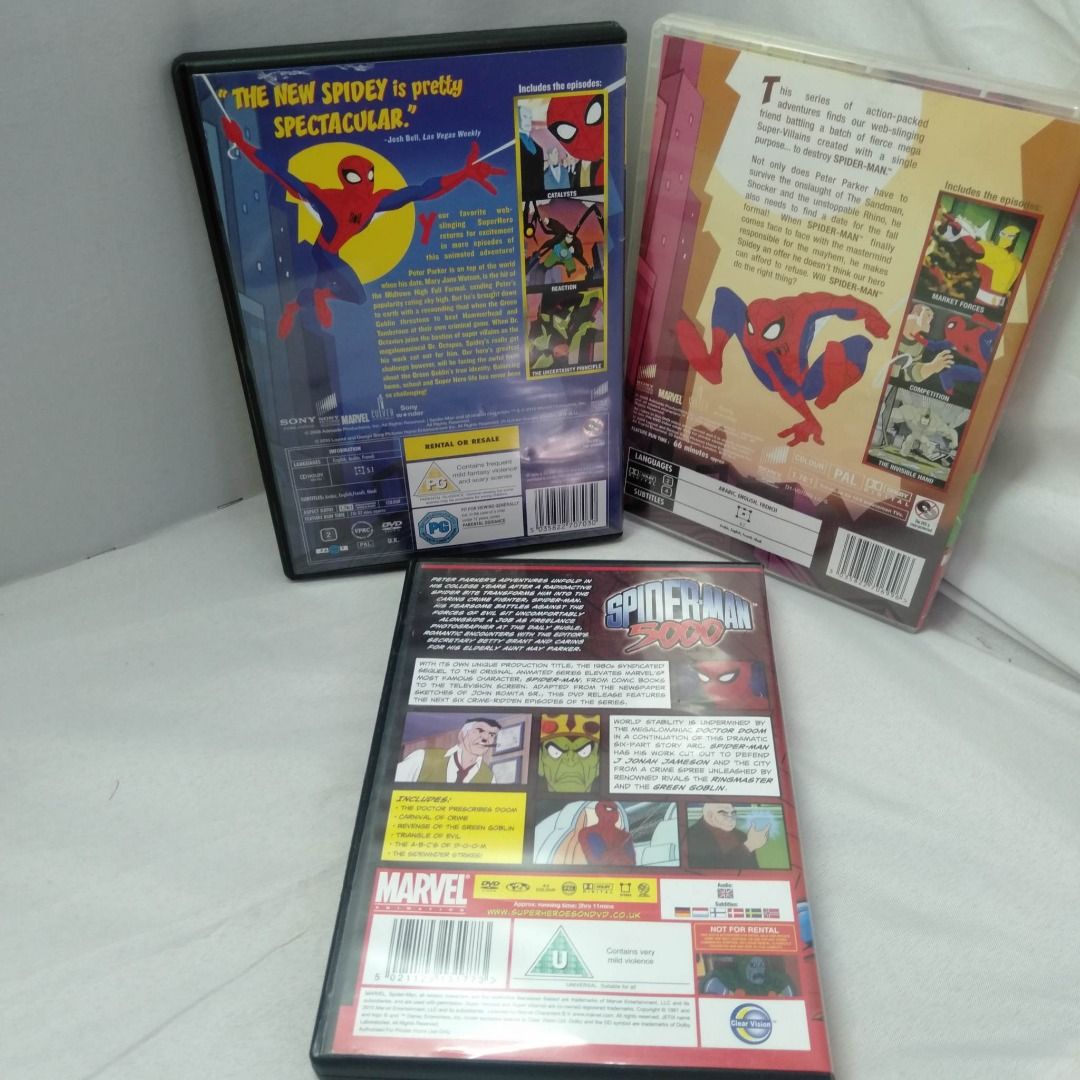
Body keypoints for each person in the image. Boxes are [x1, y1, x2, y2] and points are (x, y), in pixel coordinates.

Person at [395, 718, 501, 783]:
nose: (485, 738)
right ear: (462, 735)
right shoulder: (422, 758)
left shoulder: (489, 777)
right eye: (479, 731)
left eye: (492, 735)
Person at [686, 803, 768, 869]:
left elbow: (752, 870)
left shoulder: (742, 836)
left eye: (733, 813)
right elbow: (713, 870)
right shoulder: (691, 836)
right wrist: (748, 847)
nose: (730, 818)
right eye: (724, 814)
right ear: (710, 816)